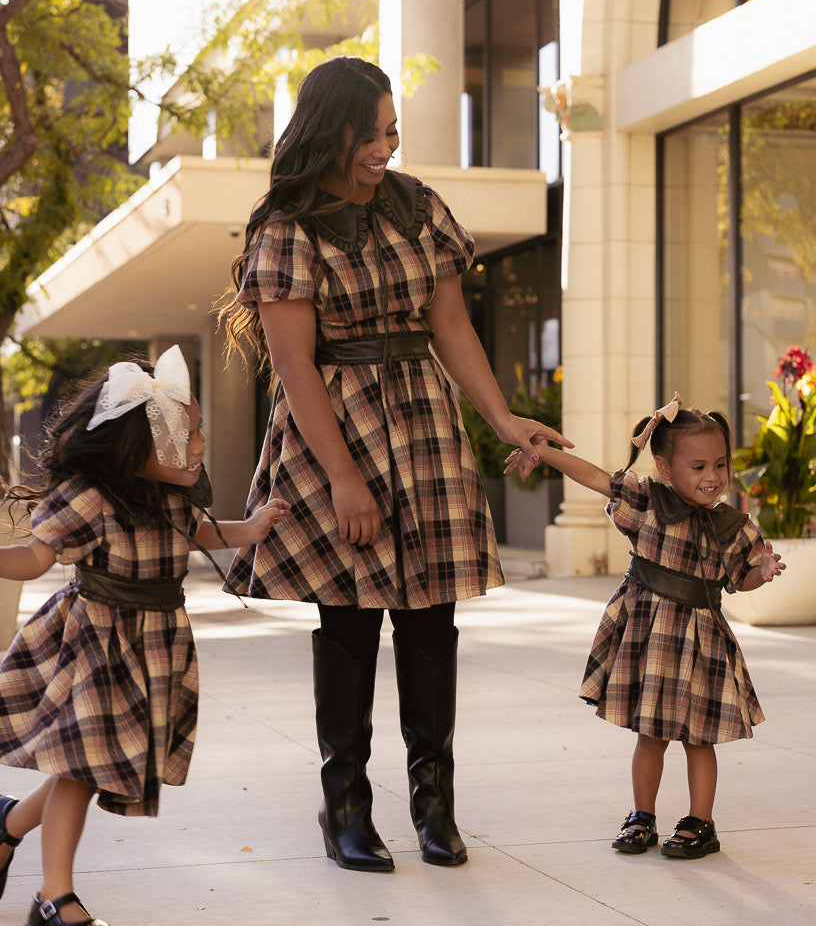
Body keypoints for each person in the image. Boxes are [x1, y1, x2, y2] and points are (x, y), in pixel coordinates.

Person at [218, 55, 570, 873]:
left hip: (422, 421)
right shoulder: (285, 227)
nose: (388, 147)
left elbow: (451, 327)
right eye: (375, 133)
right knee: (348, 618)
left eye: (392, 133)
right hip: (332, 428)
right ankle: (345, 807)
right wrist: (343, 478)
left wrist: (504, 420)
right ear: (334, 132)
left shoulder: (417, 207)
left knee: (431, 618)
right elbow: (296, 366)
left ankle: (434, 802)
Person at [0, 346, 288, 926]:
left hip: (153, 644)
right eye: (185, 432)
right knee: (81, 765)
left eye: (200, 429)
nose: (200, 443)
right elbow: (34, 559)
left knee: (93, 763)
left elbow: (202, 533)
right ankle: (55, 899)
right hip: (94, 642)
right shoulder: (90, 496)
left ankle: (5, 826)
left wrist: (250, 528)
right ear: (138, 443)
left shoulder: (175, 499)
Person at [506, 393, 784, 860]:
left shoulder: (735, 526)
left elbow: (741, 579)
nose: (712, 477)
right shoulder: (647, 502)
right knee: (649, 735)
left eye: (720, 464)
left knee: (700, 738)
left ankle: (700, 822)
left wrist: (764, 571)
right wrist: (542, 451)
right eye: (697, 466)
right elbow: (595, 476)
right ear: (664, 467)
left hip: (703, 642)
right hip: (652, 638)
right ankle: (642, 817)